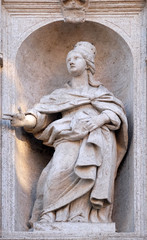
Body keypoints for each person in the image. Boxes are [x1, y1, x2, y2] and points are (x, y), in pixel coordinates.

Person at [9, 42, 128, 230]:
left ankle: (82, 215)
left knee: (88, 174)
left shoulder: (100, 93)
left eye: (76, 58)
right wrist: (26, 121)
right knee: (57, 172)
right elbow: (41, 114)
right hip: (67, 138)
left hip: (96, 140)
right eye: (68, 59)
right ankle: (49, 215)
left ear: (87, 63)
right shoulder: (61, 94)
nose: (70, 62)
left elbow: (117, 114)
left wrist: (98, 120)